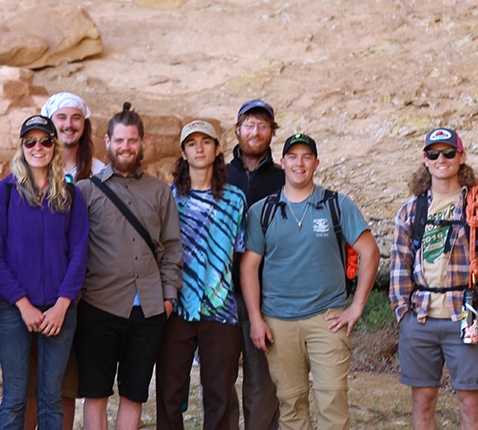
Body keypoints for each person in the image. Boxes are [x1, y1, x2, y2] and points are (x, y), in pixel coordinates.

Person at [239, 133, 381, 430]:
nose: (299, 163)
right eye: (293, 156)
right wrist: (255, 319)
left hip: (327, 320)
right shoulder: (262, 211)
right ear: (283, 162)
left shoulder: (336, 204)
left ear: (316, 163)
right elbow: (249, 267)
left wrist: (356, 307)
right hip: (279, 322)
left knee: (332, 403)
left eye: (306, 157)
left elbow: (370, 252)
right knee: (291, 406)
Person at [389, 128, 478, 430]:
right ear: (425, 160)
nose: (441, 159)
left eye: (449, 152)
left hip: (465, 317)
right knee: (423, 401)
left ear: (461, 156)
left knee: (469, 402)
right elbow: (400, 265)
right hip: (422, 318)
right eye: (433, 153)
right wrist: (403, 314)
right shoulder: (411, 210)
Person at [74, 103, 182, 430]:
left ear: (142, 142)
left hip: (148, 309)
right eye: (119, 140)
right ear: (106, 142)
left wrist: (168, 297)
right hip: (99, 305)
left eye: (132, 141)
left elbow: (172, 247)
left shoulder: (161, 192)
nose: (125, 147)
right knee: (96, 393)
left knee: (133, 394)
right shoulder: (85, 190)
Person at [0, 115, 89, 430]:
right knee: (15, 397)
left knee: (51, 399)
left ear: (55, 146)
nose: (38, 147)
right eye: (30, 141)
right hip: (14, 310)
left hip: (60, 310)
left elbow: (79, 253)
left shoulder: (71, 196)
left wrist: (62, 304)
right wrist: (22, 303)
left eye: (45, 140)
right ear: (21, 146)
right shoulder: (3, 193)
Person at [156, 120, 247, 430]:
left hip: (219, 308)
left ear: (217, 149)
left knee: (219, 393)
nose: (199, 147)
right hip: (175, 307)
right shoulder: (167, 198)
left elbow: (240, 254)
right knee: (169, 393)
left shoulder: (235, 199)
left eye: (206, 141)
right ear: (183, 152)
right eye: (191, 142)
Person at [224, 99, 283, 430]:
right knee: (219, 380)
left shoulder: (284, 179)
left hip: (268, 295)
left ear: (272, 132)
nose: (255, 131)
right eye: (249, 124)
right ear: (237, 129)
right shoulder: (219, 174)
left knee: (263, 384)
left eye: (263, 125)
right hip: (220, 294)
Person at [42, 92, 105, 183]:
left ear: (84, 125)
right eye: (61, 117)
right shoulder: (38, 169)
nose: (69, 125)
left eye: (76, 118)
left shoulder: (99, 171)